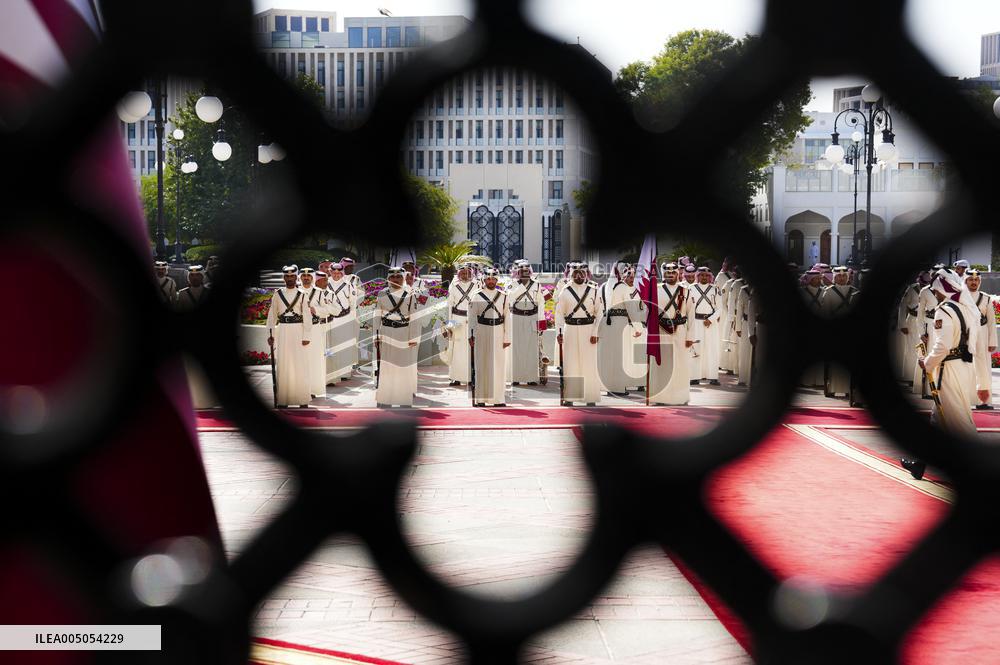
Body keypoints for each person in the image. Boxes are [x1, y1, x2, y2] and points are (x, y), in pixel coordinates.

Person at [902, 268, 979, 479]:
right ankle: (919, 464)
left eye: (935, 289)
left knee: (959, 421)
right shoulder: (964, 308)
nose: (933, 293)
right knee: (938, 420)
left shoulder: (944, 310)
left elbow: (943, 346)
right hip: (962, 367)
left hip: (949, 370)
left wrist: (926, 363)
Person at [265, 265, 313, 408]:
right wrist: (271, 334)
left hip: (299, 331)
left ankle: (303, 399)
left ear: (296, 277)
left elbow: (307, 317)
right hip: (283, 331)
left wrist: (306, 336)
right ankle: (283, 399)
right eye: (287, 276)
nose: (290, 278)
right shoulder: (277, 294)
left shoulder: (302, 294)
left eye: (292, 276)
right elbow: (272, 315)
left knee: (300, 365)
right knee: (284, 365)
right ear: (284, 277)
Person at [373, 267, 419, 407]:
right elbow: (377, 316)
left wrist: (413, 338)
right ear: (388, 278)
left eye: (399, 277)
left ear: (404, 278)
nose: (396, 279)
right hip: (386, 333)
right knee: (386, 367)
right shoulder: (382, 293)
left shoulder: (410, 293)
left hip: (404, 333)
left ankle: (404, 400)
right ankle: (385, 399)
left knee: (403, 367)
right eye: (393, 277)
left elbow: (415, 317)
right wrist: (376, 335)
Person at [647, 262, 693, 405]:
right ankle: (661, 397)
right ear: (663, 274)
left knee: (681, 365)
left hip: (680, 332)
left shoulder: (686, 291)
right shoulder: (655, 290)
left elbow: (691, 314)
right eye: (668, 272)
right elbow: (649, 313)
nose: (671, 275)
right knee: (662, 365)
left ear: (678, 274)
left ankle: (681, 397)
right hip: (661, 332)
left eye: (673, 272)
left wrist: (690, 336)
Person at [556, 264, 601, 406]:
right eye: (576, 273)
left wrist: (595, 332)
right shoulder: (565, 291)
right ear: (571, 274)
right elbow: (558, 314)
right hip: (570, 329)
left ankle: (590, 397)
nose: (579, 276)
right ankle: (570, 397)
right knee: (571, 364)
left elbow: (599, 313)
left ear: (586, 274)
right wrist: (559, 332)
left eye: (582, 273)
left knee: (589, 364)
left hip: (588, 330)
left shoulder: (594, 291)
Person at [598, 262, 644, 396]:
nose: (630, 275)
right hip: (621, 323)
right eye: (627, 272)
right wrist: (638, 327)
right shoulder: (623, 288)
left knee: (611, 356)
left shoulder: (606, 286)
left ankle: (611, 385)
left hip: (608, 324)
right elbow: (631, 309)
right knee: (620, 356)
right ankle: (618, 387)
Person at [468, 267, 511, 406]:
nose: (491, 281)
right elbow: (472, 317)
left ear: (497, 279)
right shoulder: (477, 295)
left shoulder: (503, 296)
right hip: (482, 331)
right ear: (484, 279)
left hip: (498, 331)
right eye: (488, 278)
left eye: (493, 278)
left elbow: (507, 318)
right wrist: (471, 335)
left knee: (498, 366)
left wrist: (507, 338)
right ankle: (481, 398)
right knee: (482, 364)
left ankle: (498, 399)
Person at [820, 266, 860, 397]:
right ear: (834, 277)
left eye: (844, 276)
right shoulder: (829, 292)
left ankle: (850, 389)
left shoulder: (855, 292)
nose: (842, 278)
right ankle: (833, 388)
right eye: (839, 276)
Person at [507, 259, 547, 386]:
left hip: (532, 317)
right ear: (517, 272)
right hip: (516, 317)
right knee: (516, 349)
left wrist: (541, 323)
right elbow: (509, 299)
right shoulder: (512, 284)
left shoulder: (537, 284)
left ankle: (531, 378)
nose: (524, 273)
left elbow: (541, 303)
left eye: (526, 271)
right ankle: (516, 377)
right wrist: (522, 286)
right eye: (522, 271)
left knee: (532, 349)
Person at [965, 269, 996, 410]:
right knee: (965, 366)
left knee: (983, 367)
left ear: (979, 282)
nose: (973, 282)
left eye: (976, 280)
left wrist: (992, 342)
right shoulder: (960, 296)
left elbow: (991, 322)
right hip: (965, 334)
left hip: (982, 335)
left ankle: (984, 401)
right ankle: (966, 398)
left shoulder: (986, 298)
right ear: (966, 281)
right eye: (971, 279)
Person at [443, 263, 476, 386]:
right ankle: (455, 377)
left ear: (471, 273)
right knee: (456, 349)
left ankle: (472, 377)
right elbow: (449, 307)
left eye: (467, 272)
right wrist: (449, 326)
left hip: (472, 321)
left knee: (471, 350)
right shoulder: (454, 286)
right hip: (457, 319)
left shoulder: (477, 285)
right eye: (462, 273)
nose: (465, 275)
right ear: (458, 274)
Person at [324, 262, 358, 383]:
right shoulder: (325, 283)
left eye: (339, 273)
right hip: (330, 319)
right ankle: (332, 375)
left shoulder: (348, 285)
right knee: (330, 346)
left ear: (342, 273)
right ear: (330, 272)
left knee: (344, 345)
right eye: (334, 272)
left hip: (345, 317)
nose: (336, 275)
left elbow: (353, 303)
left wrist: (352, 319)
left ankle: (344, 372)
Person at [913, 266, 943, 398]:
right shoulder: (925, 291)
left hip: (944, 327)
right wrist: (921, 333)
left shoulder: (950, 292)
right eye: (935, 275)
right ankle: (927, 390)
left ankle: (940, 387)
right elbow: (919, 315)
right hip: (929, 328)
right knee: (928, 357)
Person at [688, 267, 722, 386]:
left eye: (706, 275)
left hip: (711, 324)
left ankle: (713, 377)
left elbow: (720, 308)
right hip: (696, 321)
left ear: (710, 277)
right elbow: (687, 308)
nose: (704, 277)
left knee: (712, 349)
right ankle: (695, 377)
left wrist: (711, 319)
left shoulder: (715, 290)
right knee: (696, 349)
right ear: (698, 276)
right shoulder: (691, 289)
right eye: (701, 275)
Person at [897, 271, 928, 384]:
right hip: (912, 321)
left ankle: (921, 377)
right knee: (912, 349)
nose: (924, 285)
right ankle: (910, 377)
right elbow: (903, 305)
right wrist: (902, 324)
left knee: (924, 349)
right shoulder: (912, 289)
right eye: (923, 283)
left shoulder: (932, 289)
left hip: (926, 321)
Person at [800, 269, 825, 387]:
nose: (819, 280)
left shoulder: (824, 291)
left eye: (819, 278)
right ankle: (807, 381)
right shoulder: (802, 292)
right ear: (810, 279)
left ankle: (820, 381)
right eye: (816, 278)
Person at [340, 257, 362, 368]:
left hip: (353, 312)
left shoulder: (356, 279)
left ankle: (352, 362)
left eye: (352, 266)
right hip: (340, 313)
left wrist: (353, 302)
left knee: (354, 337)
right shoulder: (338, 277)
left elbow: (362, 295)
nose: (351, 268)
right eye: (348, 266)